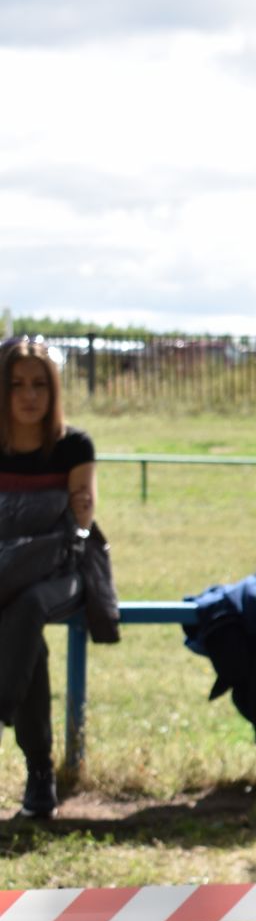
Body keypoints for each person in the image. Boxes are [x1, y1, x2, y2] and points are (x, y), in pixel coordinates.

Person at [0, 339, 96, 818]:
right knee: (27, 638)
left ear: (54, 390)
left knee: (32, 605)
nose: (28, 395)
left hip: (63, 572)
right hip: (5, 578)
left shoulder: (74, 446)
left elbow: (80, 527)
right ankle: (41, 773)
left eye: (39, 384)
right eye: (16, 384)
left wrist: (80, 512)